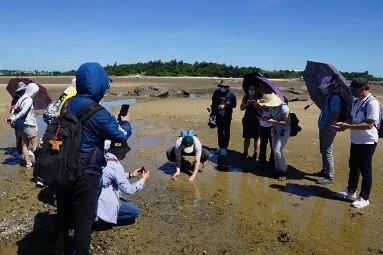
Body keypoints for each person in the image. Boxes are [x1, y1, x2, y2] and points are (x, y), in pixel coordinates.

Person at [54, 62, 132, 255]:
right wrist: (127, 123)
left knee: (62, 214)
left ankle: (58, 250)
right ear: (99, 85)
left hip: (61, 166)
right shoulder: (98, 111)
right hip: (85, 172)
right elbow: (120, 135)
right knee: (83, 220)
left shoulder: (67, 104)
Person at [335, 78, 380, 208]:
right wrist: (344, 124)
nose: (352, 92)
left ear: (362, 89)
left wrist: (347, 126)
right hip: (356, 140)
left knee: (365, 169)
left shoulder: (372, 103)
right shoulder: (356, 101)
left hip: (368, 141)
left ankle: (364, 197)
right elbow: (351, 117)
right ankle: (351, 191)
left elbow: (369, 124)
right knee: (353, 166)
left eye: (354, 90)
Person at [96, 140, 149, 225]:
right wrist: (143, 179)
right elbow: (129, 190)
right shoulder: (116, 166)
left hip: (96, 195)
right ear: (121, 153)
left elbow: (111, 176)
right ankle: (103, 220)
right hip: (102, 200)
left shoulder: (105, 157)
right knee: (135, 212)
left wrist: (130, 175)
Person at [257, 93, 290, 180]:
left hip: (284, 130)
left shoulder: (284, 107)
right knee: (274, 148)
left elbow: (286, 122)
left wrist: (273, 121)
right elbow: (272, 117)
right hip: (275, 129)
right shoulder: (272, 107)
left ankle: (284, 171)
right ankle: (277, 169)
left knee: (277, 150)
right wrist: (266, 118)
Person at [316, 76, 341, 185]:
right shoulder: (328, 96)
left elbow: (335, 114)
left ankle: (329, 176)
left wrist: (326, 128)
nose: (324, 89)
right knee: (323, 150)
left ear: (331, 86)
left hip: (328, 128)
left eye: (325, 87)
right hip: (323, 127)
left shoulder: (334, 97)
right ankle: (324, 170)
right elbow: (326, 111)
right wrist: (321, 101)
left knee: (327, 151)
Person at [10, 82, 39, 168]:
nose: (35, 94)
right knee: (35, 144)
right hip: (29, 124)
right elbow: (23, 112)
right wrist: (14, 119)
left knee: (25, 144)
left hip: (22, 125)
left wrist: (13, 118)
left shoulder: (21, 98)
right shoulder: (29, 99)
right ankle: (37, 163)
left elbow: (14, 110)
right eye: (35, 92)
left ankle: (28, 163)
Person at [210, 80, 237, 156]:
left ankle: (225, 147)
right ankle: (220, 146)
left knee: (226, 131)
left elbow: (234, 104)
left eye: (224, 87)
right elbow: (213, 103)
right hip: (218, 115)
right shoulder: (216, 93)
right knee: (219, 131)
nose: (223, 88)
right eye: (222, 86)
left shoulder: (231, 94)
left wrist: (225, 106)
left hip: (227, 116)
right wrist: (212, 113)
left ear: (227, 87)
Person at [239, 84, 261, 160]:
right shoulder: (246, 97)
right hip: (247, 119)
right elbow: (241, 108)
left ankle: (255, 153)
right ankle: (245, 152)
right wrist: (246, 104)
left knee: (256, 137)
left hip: (257, 119)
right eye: (250, 89)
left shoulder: (259, 97)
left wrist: (256, 105)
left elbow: (262, 109)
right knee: (247, 137)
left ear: (255, 90)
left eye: (253, 89)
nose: (251, 91)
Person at [9, 82, 27, 159]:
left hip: (20, 120)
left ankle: (22, 151)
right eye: (24, 90)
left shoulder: (20, 98)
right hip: (18, 120)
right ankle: (19, 152)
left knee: (24, 136)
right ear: (22, 90)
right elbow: (15, 110)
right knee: (19, 136)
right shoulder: (16, 98)